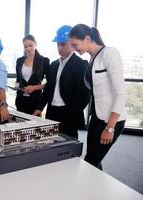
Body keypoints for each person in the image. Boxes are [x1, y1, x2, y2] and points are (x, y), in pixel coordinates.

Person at [69, 24, 126, 169]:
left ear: (87, 38)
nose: (74, 49)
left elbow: (121, 93)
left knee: (90, 162)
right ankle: (96, 189)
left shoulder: (109, 53)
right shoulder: (92, 58)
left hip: (111, 121)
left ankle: (87, 190)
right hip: (96, 117)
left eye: (75, 45)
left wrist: (110, 128)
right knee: (93, 158)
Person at [34, 25, 90, 139]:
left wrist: (73, 112)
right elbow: (48, 89)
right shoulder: (54, 65)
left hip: (69, 113)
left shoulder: (81, 64)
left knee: (69, 146)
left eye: (63, 44)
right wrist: (39, 108)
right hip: (52, 112)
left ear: (72, 43)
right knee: (50, 144)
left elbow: (85, 95)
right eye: (58, 44)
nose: (59, 47)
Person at [15, 34, 50, 115]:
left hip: (36, 101)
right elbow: (18, 80)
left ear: (35, 44)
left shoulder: (44, 61)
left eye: (30, 45)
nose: (28, 48)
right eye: (25, 46)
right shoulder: (19, 60)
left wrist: (34, 88)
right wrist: (16, 87)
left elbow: (50, 83)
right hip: (20, 100)